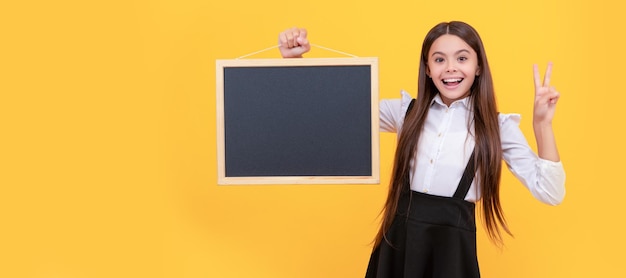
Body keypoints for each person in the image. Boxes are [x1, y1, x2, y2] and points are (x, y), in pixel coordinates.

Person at [278, 21, 565, 278]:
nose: (450, 68)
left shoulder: (497, 127)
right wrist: (296, 62)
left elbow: (550, 192)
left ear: (478, 67)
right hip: (397, 246)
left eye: (462, 58)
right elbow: (329, 114)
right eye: (439, 60)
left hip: (451, 256)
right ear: (428, 69)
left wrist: (542, 124)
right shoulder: (406, 112)